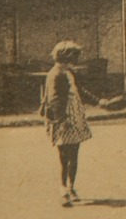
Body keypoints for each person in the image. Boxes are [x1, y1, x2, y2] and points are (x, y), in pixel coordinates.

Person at [40, 40, 102, 206]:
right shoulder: (56, 74)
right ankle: (63, 190)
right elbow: (54, 100)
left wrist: (99, 101)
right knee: (64, 156)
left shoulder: (68, 72)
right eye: (75, 54)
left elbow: (79, 91)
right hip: (63, 119)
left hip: (74, 116)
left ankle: (71, 187)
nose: (78, 57)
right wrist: (62, 120)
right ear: (66, 55)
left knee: (74, 154)